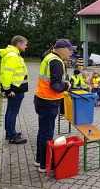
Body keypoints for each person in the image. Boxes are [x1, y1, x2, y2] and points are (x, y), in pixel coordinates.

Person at [34, 39, 73, 172]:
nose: (72, 52)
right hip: (48, 102)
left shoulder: (49, 57)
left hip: (41, 99)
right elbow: (55, 86)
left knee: (42, 131)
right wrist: (66, 86)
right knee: (47, 134)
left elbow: (52, 79)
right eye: (70, 49)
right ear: (62, 50)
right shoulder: (57, 62)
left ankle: (39, 159)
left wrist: (62, 81)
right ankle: (44, 165)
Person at [0, 35, 29, 144]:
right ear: (19, 44)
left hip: (15, 88)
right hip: (15, 89)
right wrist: (7, 90)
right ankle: (12, 136)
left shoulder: (13, 54)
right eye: (25, 44)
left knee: (10, 111)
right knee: (13, 112)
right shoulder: (13, 56)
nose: (26, 47)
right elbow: (7, 74)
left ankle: (10, 132)